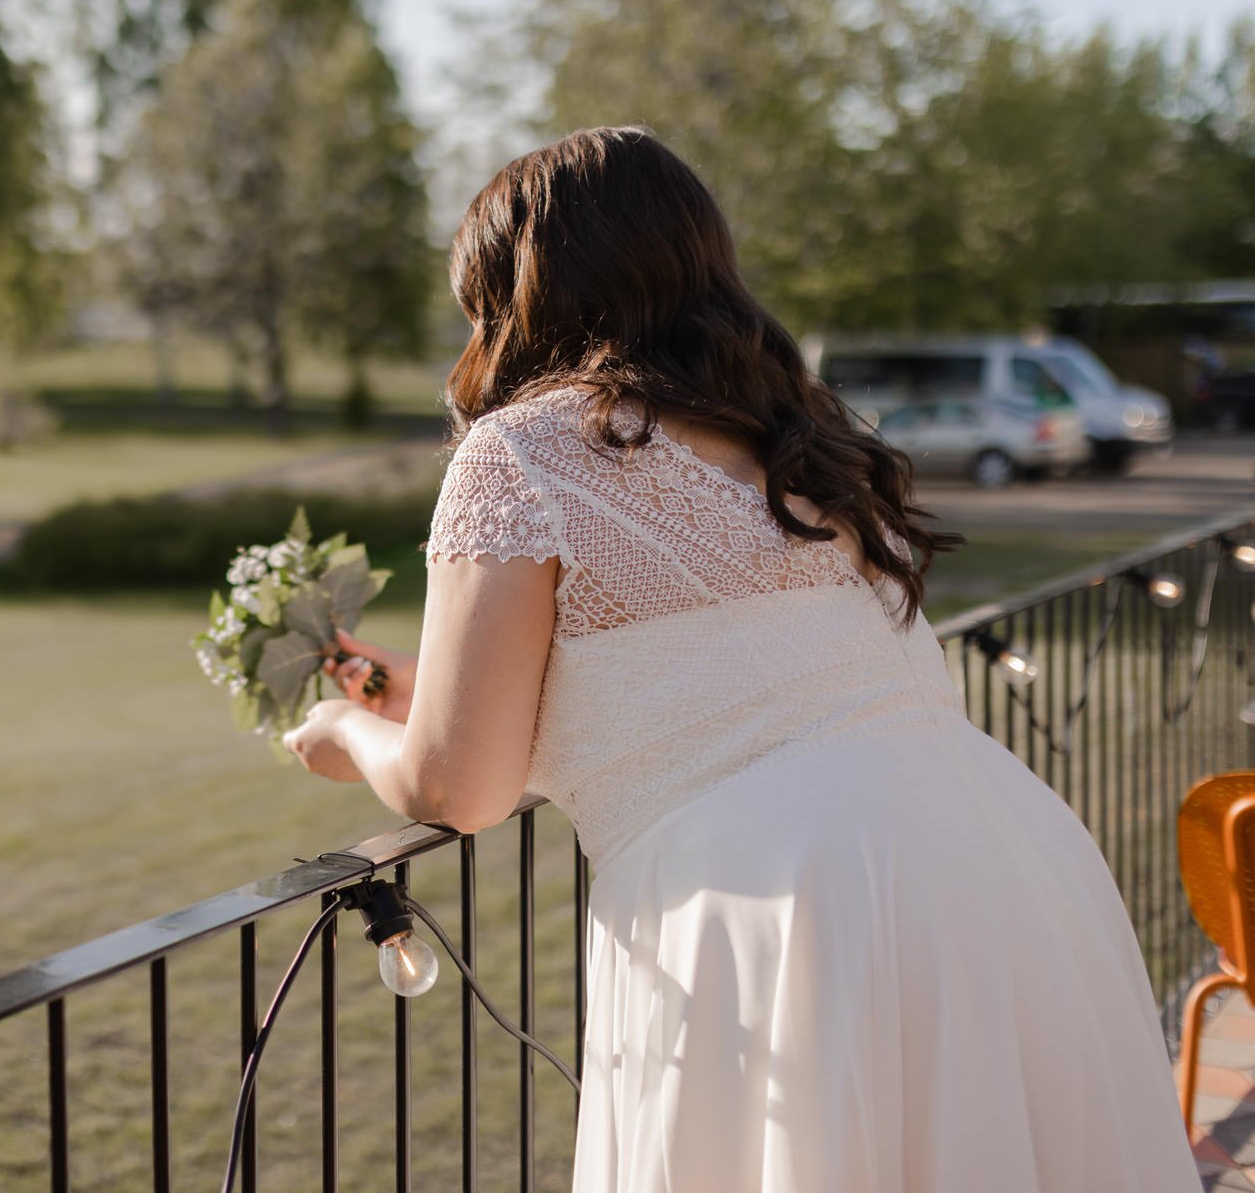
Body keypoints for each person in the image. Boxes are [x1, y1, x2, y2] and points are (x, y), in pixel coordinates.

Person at [281, 128, 1198, 1191]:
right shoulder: (797, 433)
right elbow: (715, 684)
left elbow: (456, 786)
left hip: (785, 915)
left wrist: (345, 727)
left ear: (520, 293)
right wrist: (421, 686)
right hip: (997, 858)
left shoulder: (520, 453)